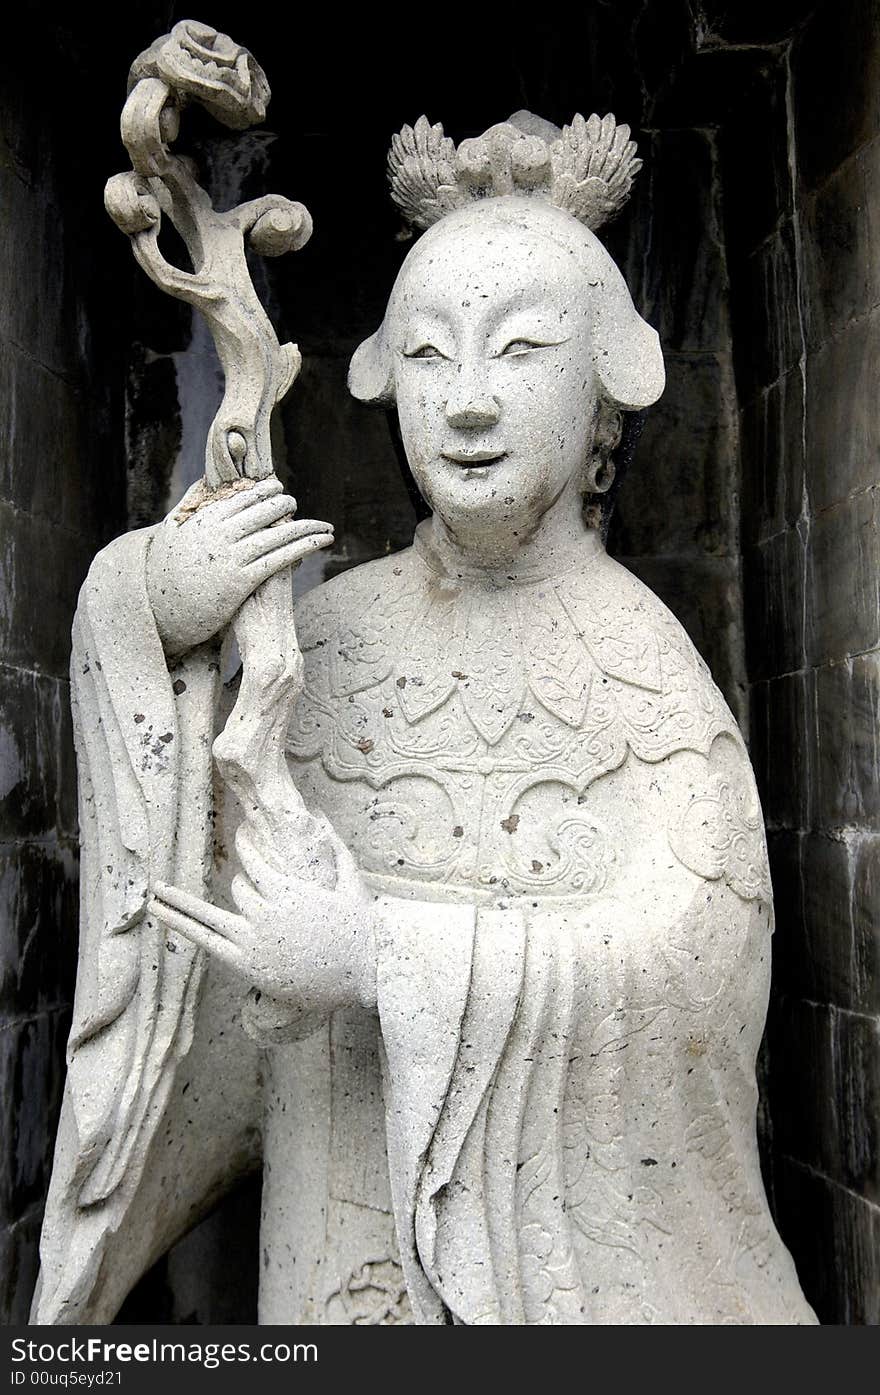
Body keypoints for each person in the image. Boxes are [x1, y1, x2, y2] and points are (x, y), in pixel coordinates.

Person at [34, 115, 816, 1325]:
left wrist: (379, 957)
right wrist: (151, 611)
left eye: (518, 352)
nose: (466, 406)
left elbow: (697, 971)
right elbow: (181, 869)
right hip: (328, 1225)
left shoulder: (635, 657)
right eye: (434, 357)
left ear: (605, 378)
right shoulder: (326, 638)